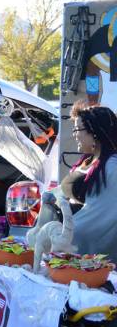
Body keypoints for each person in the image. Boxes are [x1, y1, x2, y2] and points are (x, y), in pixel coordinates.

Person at [60, 105, 117, 261]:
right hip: (71, 245)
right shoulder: (88, 161)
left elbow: (104, 216)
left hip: (89, 256)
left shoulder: (111, 167)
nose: (75, 135)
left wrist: (67, 232)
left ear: (94, 133)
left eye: (78, 129)